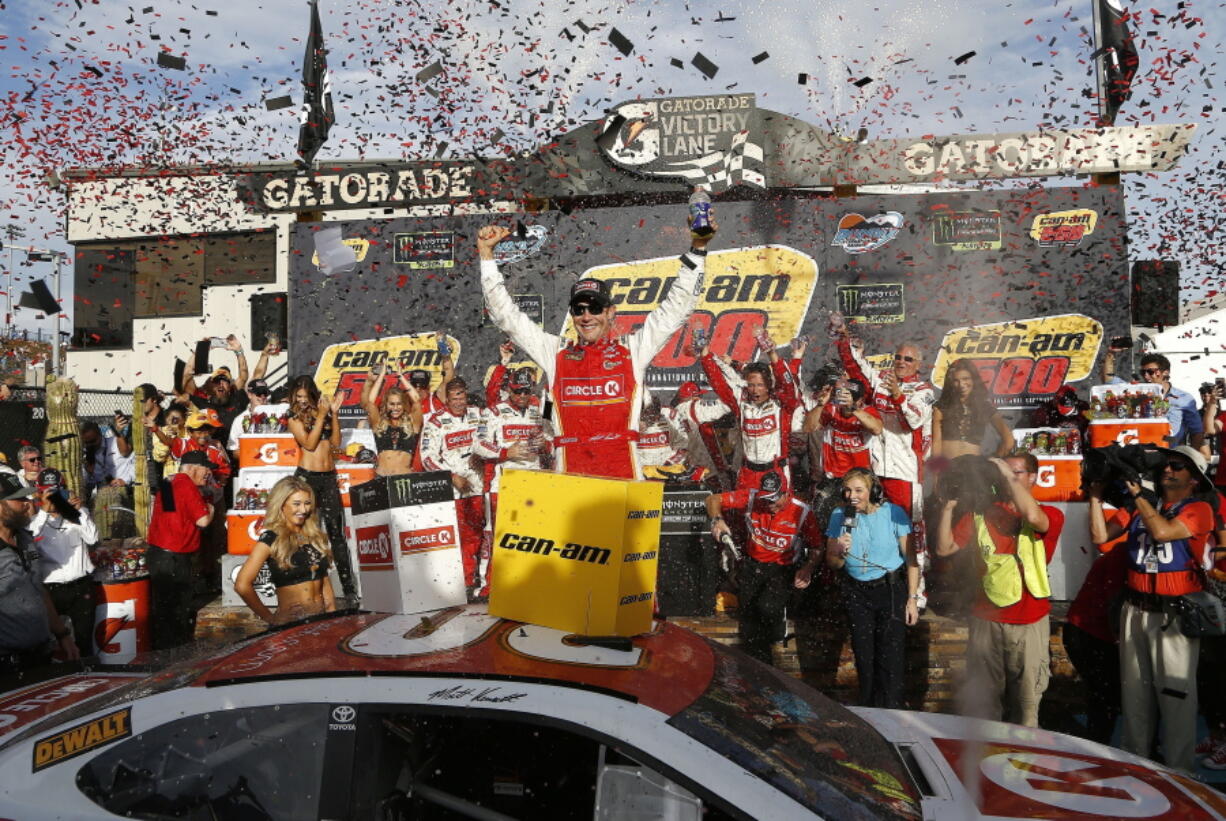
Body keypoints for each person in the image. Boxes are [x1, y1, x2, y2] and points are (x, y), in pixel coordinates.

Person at [477, 215, 714, 480]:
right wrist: (487, 257)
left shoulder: (632, 350)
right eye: (579, 309)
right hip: (571, 485)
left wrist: (699, 247)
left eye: (595, 308)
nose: (586, 316)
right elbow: (505, 316)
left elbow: (677, 308)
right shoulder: (555, 352)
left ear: (611, 312)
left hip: (624, 482)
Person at [1087, 444, 1215, 772]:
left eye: (1178, 467)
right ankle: (1136, 767)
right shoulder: (1141, 505)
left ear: (1195, 480)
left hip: (1175, 614)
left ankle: (1179, 773)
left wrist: (1138, 494)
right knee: (1134, 696)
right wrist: (1096, 494)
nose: (1168, 470)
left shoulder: (1199, 508)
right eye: (1166, 465)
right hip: (1135, 609)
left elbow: (1163, 531)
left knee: (1175, 698)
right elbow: (1101, 538)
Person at [936, 452, 1064, 727]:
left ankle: (1024, 759)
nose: (1008, 477)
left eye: (1016, 472)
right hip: (986, 619)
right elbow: (944, 548)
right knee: (985, 703)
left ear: (1033, 477)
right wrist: (948, 507)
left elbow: (1032, 515)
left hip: (1029, 620)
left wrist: (1005, 475)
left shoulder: (1049, 513)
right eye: (1005, 472)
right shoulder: (979, 513)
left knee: (1027, 704)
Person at [804, 467, 919, 708]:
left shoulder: (892, 513)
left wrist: (911, 599)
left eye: (858, 490)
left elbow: (911, 561)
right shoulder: (839, 515)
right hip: (856, 592)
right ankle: (869, 709)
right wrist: (838, 551)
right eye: (847, 490)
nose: (851, 495)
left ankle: (893, 710)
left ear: (873, 491)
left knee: (890, 657)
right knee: (864, 655)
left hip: (888, 590)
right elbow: (833, 564)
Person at [706, 471, 822, 664]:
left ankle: (777, 633)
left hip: (782, 567)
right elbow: (712, 499)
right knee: (749, 617)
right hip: (753, 563)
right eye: (766, 499)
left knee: (767, 608)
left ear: (787, 494)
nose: (770, 505)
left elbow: (817, 547)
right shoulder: (751, 497)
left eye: (774, 500)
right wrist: (717, 520)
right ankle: (753, 666)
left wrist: (808, 568)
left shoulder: (802, 511)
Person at [833, 327, 935, 540]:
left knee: (909, 527)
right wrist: (844, 339)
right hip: (876, 470)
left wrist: (897, 394)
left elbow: (913, 420)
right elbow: (855, 368)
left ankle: (916, 572)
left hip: (904, 473)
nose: (901, 362)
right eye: (898, 357)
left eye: (908, 359)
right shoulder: (880, 379)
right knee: (876, 526)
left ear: (918, 364)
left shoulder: (923, 390)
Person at [695, 332, 802, 491]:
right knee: (744, 514)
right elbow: (719, 383)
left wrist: (772, 354)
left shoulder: (782, 404)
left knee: (776, 513)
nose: (755, 390)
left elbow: (787, 383)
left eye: (760, 385)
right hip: (747, 473)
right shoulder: (741, 401)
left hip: (776, 471)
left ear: (769, 385)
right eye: (751, 385)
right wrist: (704, 353)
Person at [0, 473, 79, 678]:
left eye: (27, 497)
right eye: (19, 499)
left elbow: (39, 590)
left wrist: (63, 635)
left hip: (41, 657)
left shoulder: (25, 538)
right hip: (7, 668)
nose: (28, 504)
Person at [286, 374, 356, 603]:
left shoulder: (322, 412)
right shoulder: (293, 417)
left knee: (337, 535)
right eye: (299, 396)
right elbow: (309, 443)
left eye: (306, 396)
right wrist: (323, 415)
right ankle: (308, 589)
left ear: (313, 395)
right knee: (306, 534)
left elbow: (335, 444)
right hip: (307, 479)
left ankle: (349, 589)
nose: (303, 401)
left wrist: (333, 414)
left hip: (328, 478)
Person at [234, 476, 336, 625]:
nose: (304, 509)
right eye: (296, 504)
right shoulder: (271, 538)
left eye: (307, 503)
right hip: (290, 625)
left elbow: (324, 582)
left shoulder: (314, 536)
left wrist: (332, 618)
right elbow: (242, 585)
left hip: (320, 622)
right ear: (281, 505)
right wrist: (270, 618)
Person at [421, 377, 486, 593]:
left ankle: (482, 578)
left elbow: (492, 440)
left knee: (483, 535)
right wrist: (451, 476)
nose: (459, 402)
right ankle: (466, 581)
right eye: (454, 398)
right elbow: (427, 458)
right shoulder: (436, 421)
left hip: (481, 484)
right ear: (446, 399)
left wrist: (483, 454)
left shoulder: (478, 414)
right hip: (457, 489)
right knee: (463, 537)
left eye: (462, 397)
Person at [145, 450, 215, 650]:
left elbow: (170, 514)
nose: (208, 473)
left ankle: (162, 653)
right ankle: (177, 656)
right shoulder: (186, 485)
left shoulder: (168, 482)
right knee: (178, 613)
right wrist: (210, 508)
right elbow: (203, 521)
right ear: (193, 468)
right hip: (176, 559)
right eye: (206, 469)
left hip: (158, 554)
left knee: (163, 612)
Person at [31, 467, 98, 655]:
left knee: (85, 641)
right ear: (39, 493)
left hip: (81, 587)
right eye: (48, 492)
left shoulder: (76, 512)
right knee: (52, 644)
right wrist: (45, 511)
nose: (54, 497)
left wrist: (77, 513)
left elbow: (92, 538)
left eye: (57, 491)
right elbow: (31, 541)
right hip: (52, 590)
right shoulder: (34, 520)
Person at [474, 367, 551, 531]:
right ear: (509, 389)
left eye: (526, 391)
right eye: (517, 392)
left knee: (532, 532)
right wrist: (505, 452)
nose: (522, 396)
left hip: (533, 481)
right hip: (503, 484)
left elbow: (551, 439)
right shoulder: (493, 411)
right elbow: (478, 443)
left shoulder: (539, 411)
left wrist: (545, 444)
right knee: (500, 535)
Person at [1102, 348, 1203, 449]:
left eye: (1151, 372)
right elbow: (1109, 380)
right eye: (1143, 372)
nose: (1146, 376)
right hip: (1141, 453)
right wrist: (1110, 354)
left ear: (1165, 373)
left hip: (1169, 454)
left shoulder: (1184, 399)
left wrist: (1190, 457)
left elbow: (1197, 431)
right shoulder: (1136, 391)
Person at [932, 359, 1012, 460]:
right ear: (950, 383)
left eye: (966, 379)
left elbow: (1008, 441)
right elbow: (936, 444)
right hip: (948, 468)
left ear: (974, 379)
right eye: (956, 381)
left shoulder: (984, 407)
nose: (961, 385)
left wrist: (992, 462)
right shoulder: (941, 407)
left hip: (974, 470)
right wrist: (936, 472)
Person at [802, 378, 881, 480]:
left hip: (859, 475)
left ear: (861, 400)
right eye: (844, 397)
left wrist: (852, 408)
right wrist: (820, 405)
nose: (846, 402)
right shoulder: (832, 409)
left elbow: (877, 429)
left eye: (852, 398)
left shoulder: (868, 411)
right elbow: (808, 428)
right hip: (832, 474)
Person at [361, 361, 423, 477]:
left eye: (399, 404)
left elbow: (417, 401)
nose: (395, 408)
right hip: (381, 477)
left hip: (405, 478)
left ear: (404, 405)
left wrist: (401, 377)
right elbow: (370, 402)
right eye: (392, 404)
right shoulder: (379, 424)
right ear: (386, 405)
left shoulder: (412, 424)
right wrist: (381, 375)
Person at [226, 378, 275, 460]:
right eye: (258, 393)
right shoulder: (240, 420)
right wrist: (256, 456)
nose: (262, 397)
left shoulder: (277, 415)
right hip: (252, 465)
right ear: (249, 395)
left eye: (265, 393)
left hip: (274, 460)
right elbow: (234, 451)